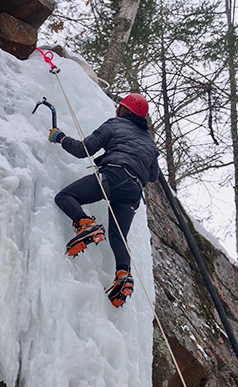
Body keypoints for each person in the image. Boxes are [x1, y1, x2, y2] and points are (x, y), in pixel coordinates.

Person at [48, 93, 160, 307]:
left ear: (125, 110)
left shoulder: (115, 125)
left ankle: (86, 224)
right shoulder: (150, 143)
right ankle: (123, 276)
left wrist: (60, 137)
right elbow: (153, 176)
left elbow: (83, 150)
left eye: (120, 107)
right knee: (119, 237)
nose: (116, 109)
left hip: (115, 175)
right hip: (134, 191)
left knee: (65, 196)